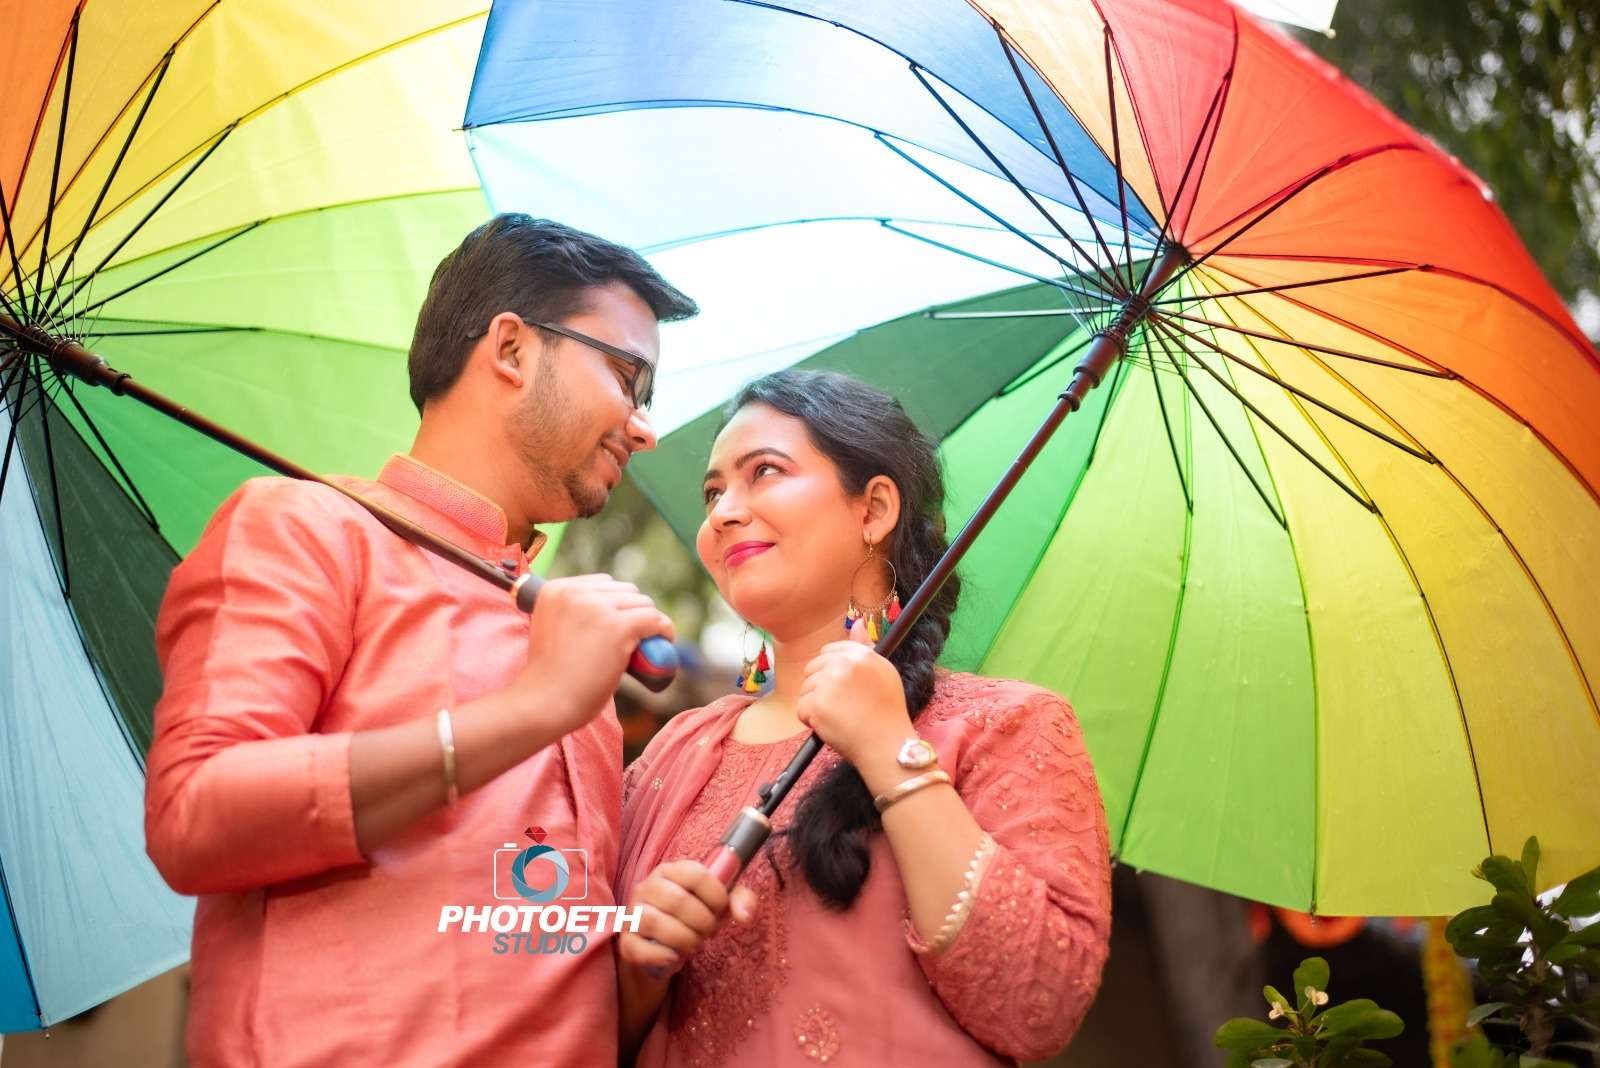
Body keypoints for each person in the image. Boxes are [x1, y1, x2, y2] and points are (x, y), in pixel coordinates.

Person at [143, 215, 696, 1067]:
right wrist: (532, 709)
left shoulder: (561, 634)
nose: (644, 426)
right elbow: (193, 813)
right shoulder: (307, 528)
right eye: (629, 378)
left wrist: (640, 970)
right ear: (511, 348)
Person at [615, 370, 1113, 1066]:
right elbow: (573, 1026)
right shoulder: (676, 751)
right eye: (712, 492)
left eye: (764, 472)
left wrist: (887, 748)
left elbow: (1039, 1004)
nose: (724, 511)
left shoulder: (1007, 725)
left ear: (874, 509)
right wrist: (638, 975)